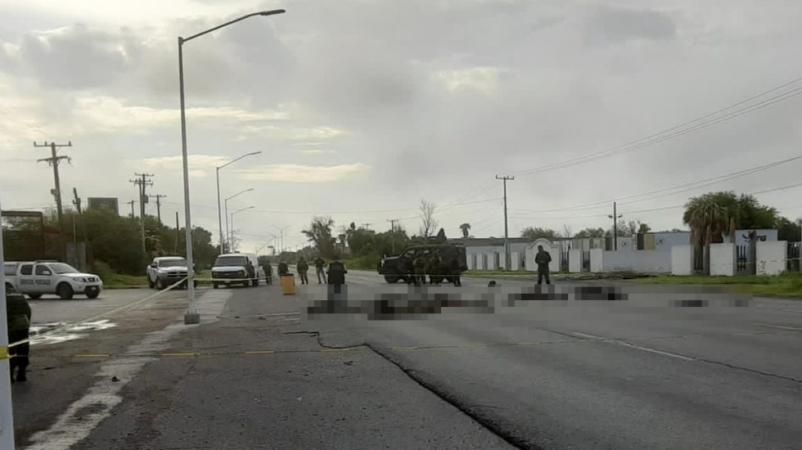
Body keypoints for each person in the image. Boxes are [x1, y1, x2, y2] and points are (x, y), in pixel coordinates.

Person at [6, 284, 31, 383]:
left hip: (11, 325)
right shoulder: (17, 294)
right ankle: (22, 373)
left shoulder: (3, 295)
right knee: (23, 349)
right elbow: (28, 310)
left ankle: (10, 375)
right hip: (23, 324)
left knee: (10, 350)